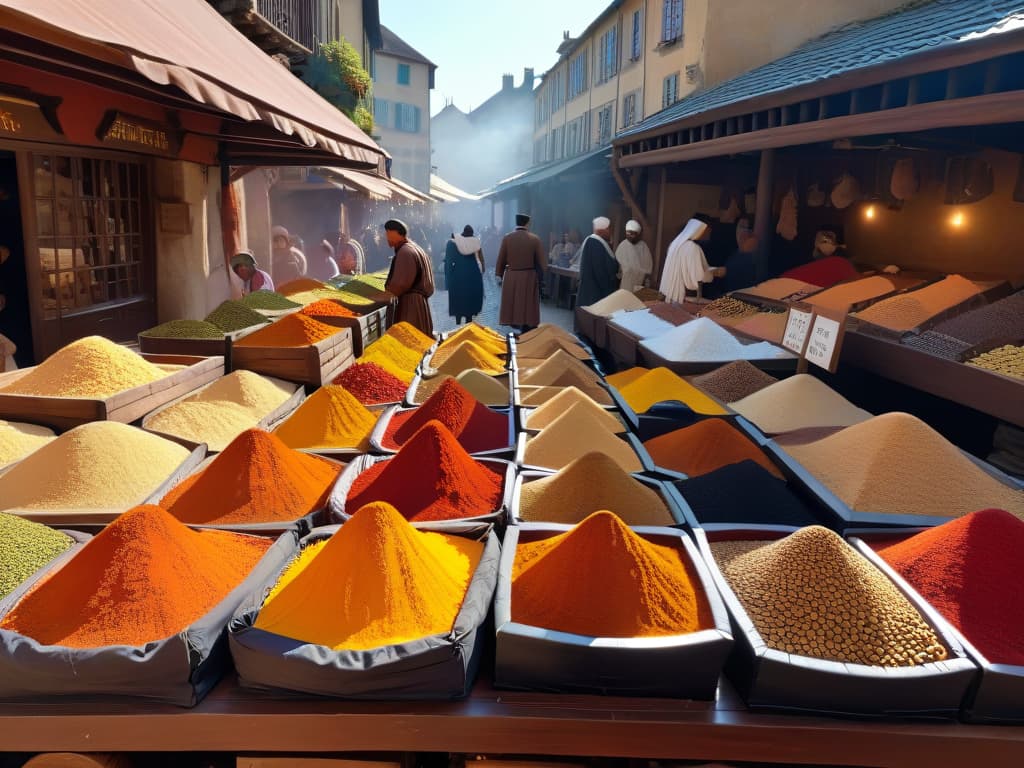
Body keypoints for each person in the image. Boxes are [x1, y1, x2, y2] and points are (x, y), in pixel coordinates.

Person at [383, 218, 435, 336]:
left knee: (410, 340)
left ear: (395, 233)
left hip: (410, 306)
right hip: (419, 304)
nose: (386, 236)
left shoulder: (405, 252)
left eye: (387, 232)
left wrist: (380, 297)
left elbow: (400, 285)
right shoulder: (415, 248)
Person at [496, 213, 546, 332]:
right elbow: (543, 263)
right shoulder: (534, 239)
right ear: (527, 223)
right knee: (527, 303)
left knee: (513, 302)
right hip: (528, 275)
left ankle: (514, 323)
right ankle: (527, 325)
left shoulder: (507, 238)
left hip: (511, 275)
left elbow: (501, 258)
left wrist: (499, 273)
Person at [660, 217, 725, 303]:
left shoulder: (674, 244)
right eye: (705, 231)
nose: (707, 234)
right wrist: (714, 272)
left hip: (670, 293)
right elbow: (698, 276)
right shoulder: (692, 247)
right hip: (684, 295)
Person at [445, 225, 485, 324]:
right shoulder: (476, 242)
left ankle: (458, 319)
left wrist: (448, 280)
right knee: (470, 297)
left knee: (458, 296)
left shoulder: (452, 243)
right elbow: (481, 259)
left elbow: (449, 263)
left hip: (458, 274)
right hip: (473, 273)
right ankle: (469, 319)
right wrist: (482, 271)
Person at [576, 216, 619, 308]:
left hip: (594, 292)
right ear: (604, 229)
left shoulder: (596, 242)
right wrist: (608, 291)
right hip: (594, 294)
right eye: (609, 229)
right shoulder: (594, 243)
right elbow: (600, 271)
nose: (610, 232)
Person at [615, 219, 653, 291]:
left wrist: (645, 278)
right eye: (628, 233)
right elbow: (617, 268)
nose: (630, 236)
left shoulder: (643, 246)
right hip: (625, 285)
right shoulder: (622, 246)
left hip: (639, 284)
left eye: (633, 233)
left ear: (638, 234)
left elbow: (648, 267)